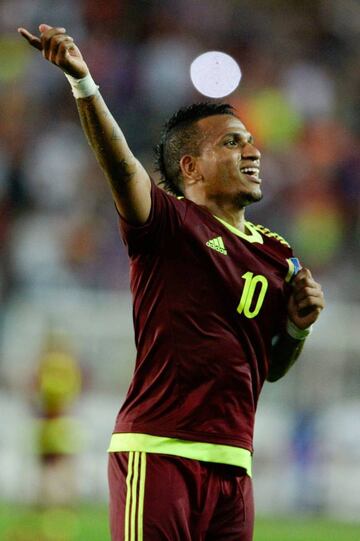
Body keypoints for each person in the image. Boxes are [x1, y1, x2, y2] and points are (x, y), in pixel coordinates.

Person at [19, 24, 325, 541]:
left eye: (251, 141)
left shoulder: (279, 256)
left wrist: (296, 330)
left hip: (234, 467)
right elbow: (120, 166)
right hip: (159, 451)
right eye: (232, 143)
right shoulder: (169, 223)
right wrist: (84, 83)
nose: (253, 152)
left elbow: (269, 368)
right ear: (192, 167)